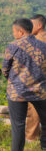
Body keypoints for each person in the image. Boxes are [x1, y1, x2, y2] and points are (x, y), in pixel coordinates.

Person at [2, 18, 46, 151]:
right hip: (40, 91)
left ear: (20, 31)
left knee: (18, 124)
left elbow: (5, 69)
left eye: (14, 31)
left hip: (17, 92)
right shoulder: (43, 46)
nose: (14, 33)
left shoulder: (13, 46)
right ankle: (44, 146)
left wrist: (15, 80)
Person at [26, 14, 46, 142]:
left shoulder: (38, 42)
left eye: (31, 24)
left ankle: (31, 137)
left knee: (34, 111)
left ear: (39, 25)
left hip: (37, 81)